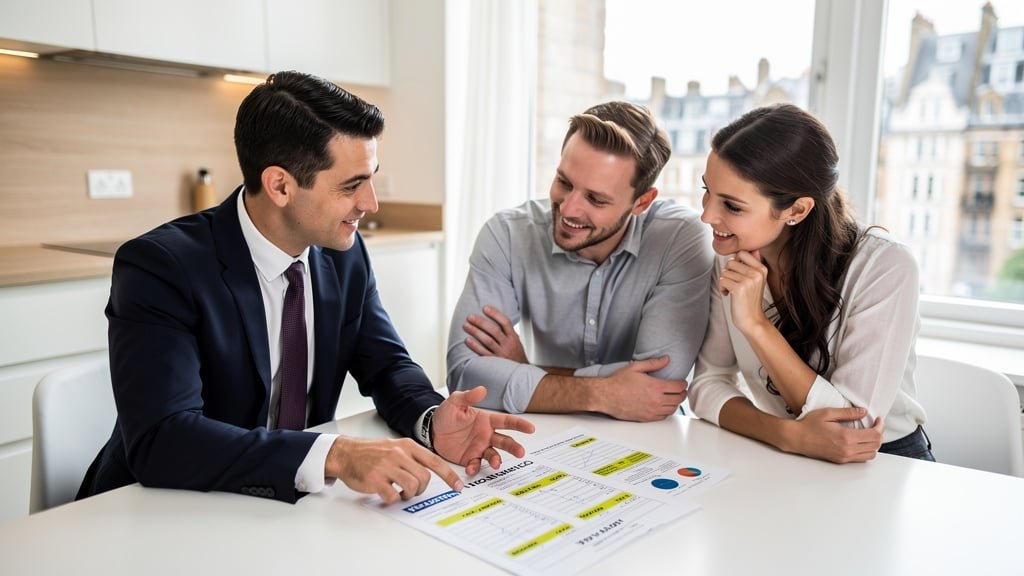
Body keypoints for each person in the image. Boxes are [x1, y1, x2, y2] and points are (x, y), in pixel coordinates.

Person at [78, 71, 534, 506]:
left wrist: (433, 421)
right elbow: (165, 439)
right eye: (352, 185)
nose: (370, 203)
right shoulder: (162, 267)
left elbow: (387, 366)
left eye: (371, 177)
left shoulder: (342, 253)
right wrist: (335, 454)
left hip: (278, 509)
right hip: (155, 508)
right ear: (279, 185)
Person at [688, 103, 933, 463]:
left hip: (885, 460)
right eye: (707, 190)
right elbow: (706, 387)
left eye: (733, 206)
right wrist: (786, 435)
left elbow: (850, 433)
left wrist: (756, 325)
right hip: (785, 453)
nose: (707, 214)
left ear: (797, 210)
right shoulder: (732, 255)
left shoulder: (886, 268)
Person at [447, 101, 713, 422]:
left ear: (642, 202)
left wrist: (527, 372)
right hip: (545, 428)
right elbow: (465, 374)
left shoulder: (679, 239)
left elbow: (658, 386)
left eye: (596, 199)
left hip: (649, 434)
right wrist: (600, 392)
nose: (569, 209)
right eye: (564, 182)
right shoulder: (507, 234)